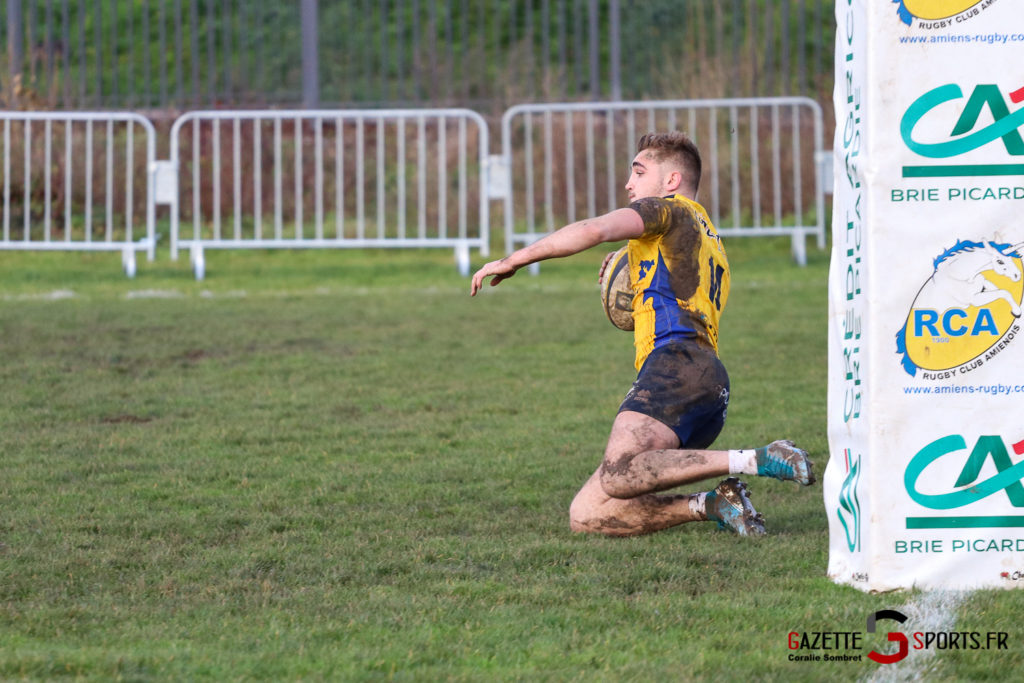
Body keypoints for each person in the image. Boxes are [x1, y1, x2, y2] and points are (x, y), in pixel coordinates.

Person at [470, 132, 815, 537]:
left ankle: (760, 458)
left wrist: (515, 259)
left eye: (639, 172)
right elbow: (670, 293)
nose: (629, 184)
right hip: (703, 380)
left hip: (677, 366)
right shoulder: (706, 237)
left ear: (670, 182)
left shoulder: (667, 211)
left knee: (618, 474)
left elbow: (595, 228)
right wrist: (628, 271)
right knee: (587, 514)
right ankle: (713, 504)